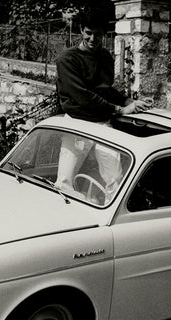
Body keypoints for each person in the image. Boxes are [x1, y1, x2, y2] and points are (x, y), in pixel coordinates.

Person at [54, 10, 153, 197]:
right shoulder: (67, 59)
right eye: (88, 33)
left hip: (102, 122)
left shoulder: (105, 57)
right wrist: (120, 110)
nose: (92, 38)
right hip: (77, 123)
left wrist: (129, 101)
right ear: (81, 30)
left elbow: (104, 90)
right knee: (64, 182)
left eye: (97, 34)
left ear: (104, 34)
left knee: (115, 180)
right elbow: (81, 96)